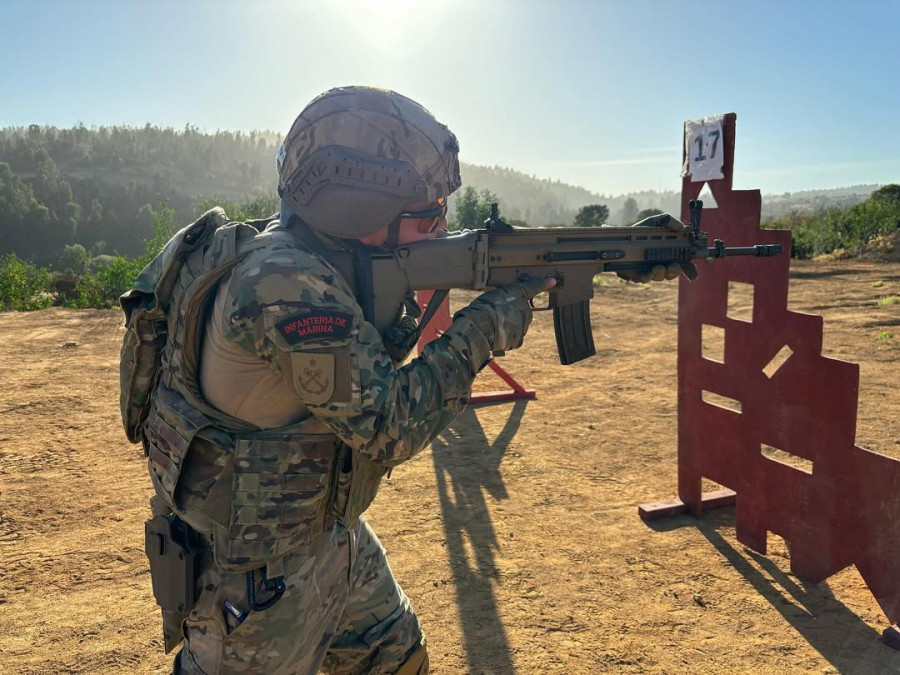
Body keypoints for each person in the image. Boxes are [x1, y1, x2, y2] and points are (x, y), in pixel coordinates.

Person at [135, 85, 553, 675]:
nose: (441, 230)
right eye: (429, 216)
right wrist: (485, 327)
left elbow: (358, 371)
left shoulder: (311, 259)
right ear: (360, 210)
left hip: (321, 529)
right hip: (255, 572)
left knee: (394, 657)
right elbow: (387, 426)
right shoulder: (285, 280)